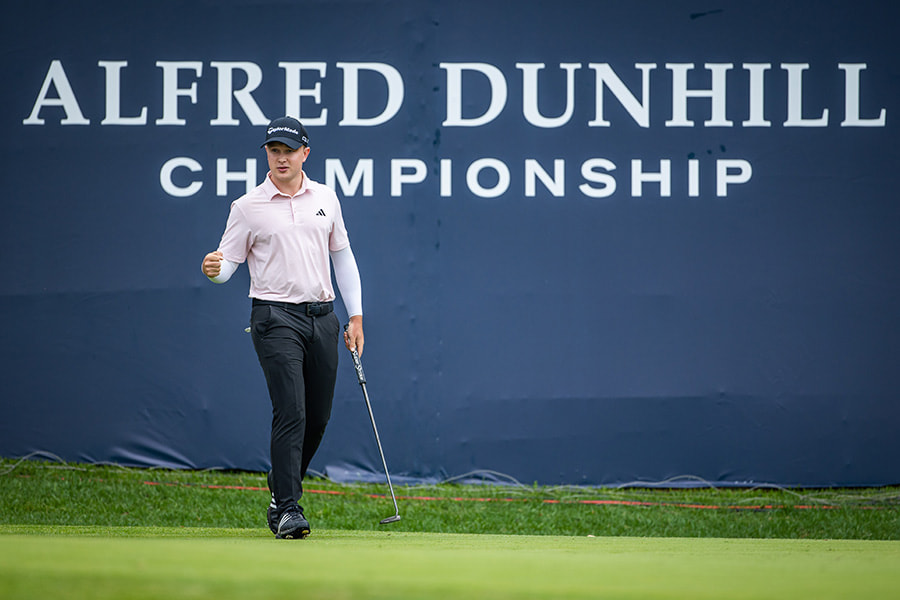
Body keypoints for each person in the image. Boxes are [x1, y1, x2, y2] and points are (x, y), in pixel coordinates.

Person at [201, 116, 364, 539]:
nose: (281, 158)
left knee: (318, 417)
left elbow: (342, 257)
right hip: (274, 318)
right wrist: (213, 270)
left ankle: (280, 488)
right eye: (274, 151)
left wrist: (356, 315)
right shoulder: (247, 206)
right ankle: (288, 509)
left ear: (304, 153)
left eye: (289, 151)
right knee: (291, 409)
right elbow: (228, 264)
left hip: (324, 317)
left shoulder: (325, 197)